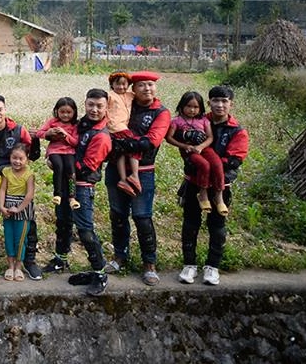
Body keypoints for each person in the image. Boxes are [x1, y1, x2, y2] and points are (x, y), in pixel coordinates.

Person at [104, 70, 171, 286]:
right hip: (115, 168)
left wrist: (122, 144)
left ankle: (149, 263)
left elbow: (151, 141)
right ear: (134, 89)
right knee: (117, 214)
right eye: (141, 85)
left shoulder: (160, 112)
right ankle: (119, 257)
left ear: (156, 88)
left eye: (150, 85)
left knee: (142, 217)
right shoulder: (123, 103)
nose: (146, 89)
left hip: (144, 171)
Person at [179, 85, 248, 286]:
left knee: (217, 226)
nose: (219, 105)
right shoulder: (197, 121)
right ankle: (189, 264)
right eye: (215, 101)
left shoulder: (237, 131)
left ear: (231, 104)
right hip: (193, 182)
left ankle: (212, 266)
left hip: (221, 185)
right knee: (190, 223)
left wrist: (209, 162)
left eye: (224, 101)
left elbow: (235, 159)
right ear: (208, 102)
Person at [0, 94, 42, 280]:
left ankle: (29, 261)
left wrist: (36, 140)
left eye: (0, 109)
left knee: (27, 222)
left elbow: (31, 154)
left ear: (5, 109)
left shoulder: (19, 130)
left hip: (16, 180)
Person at [61, 89, 112, 296]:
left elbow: (86, 167)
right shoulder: (83, 125)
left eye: (99, 106)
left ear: (106, 107)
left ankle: (100, 273)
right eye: (91, 105)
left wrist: (62, 166)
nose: (94, 109)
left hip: (82, 187)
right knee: (66, 223)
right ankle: (87, 268)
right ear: (85, 103)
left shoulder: (101, 137)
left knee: (85, 230)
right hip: (69, 183)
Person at [166, 91, 224, 215]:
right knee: (204, 165)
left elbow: (210, 137)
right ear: (182, 106)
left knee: (218, 164)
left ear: (201, 108)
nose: (192, 110)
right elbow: (169, 138)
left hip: (204, 148)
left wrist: (201, 147)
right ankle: (203, 193)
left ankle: (219, 195)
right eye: (189, 106)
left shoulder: (203, 120)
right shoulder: (176, 121)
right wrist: (184, 145)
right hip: (189, 151)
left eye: (196, 107)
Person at [0, 143, 35, 282]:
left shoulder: (29, 173)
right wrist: (2, 206)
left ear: (27, 160)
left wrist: (19, 208)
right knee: (8, 237)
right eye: (14, 158)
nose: (17, 161)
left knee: (20, 239)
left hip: (23, 207)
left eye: (21, 158)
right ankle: (10, 265)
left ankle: (18, 266)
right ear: (10, 157)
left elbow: (29, 194)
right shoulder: (6, 172)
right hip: (8, 206)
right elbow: (2, 189)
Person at [35, 97, 80, 210]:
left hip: (69, 151)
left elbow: (75, 142)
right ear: (57, 111)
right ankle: (57, 194)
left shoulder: (75, 125)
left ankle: (72, 197)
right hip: (54, 151)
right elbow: (39, 133)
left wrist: (65, 135)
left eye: (69, 112)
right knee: (58, 167)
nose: (65, 115)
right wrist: (48, 133)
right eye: (62, 112)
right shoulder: (52, 122)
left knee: (70, 169)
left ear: (74, 112)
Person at [107, 71, 140, 196]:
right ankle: (134, 175)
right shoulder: (109, 95)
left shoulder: (130, 95)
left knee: (120, 152)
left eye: (124, 84)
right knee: (135, 146)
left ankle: (122, 179)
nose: (121, 87)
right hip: (116, 127)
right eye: (118, 84)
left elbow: (142, 96)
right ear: (112, 85)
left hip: (122, 127)